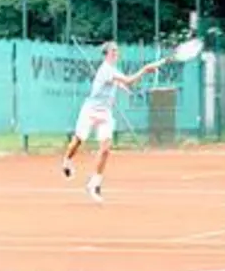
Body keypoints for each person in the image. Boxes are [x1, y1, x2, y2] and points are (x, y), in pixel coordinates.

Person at [60, 41, 162, 202]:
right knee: (78, 141)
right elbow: (128, 80)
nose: (116, 53)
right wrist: (145, 69)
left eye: (117, 50)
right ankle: (67, 161)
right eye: (113, 50)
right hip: (90, 110)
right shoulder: (106, 70)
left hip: (105, 113)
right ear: (106, 53)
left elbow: (121, 83)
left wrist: (126, 88)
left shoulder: (113, 71)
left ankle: (94, 184)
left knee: (106, 149)